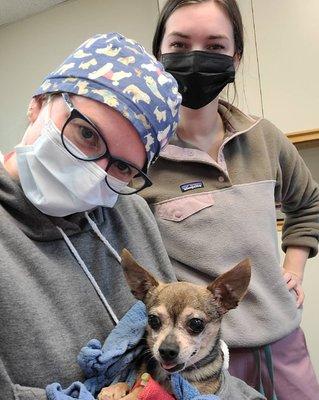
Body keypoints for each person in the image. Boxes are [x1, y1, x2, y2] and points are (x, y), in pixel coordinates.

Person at [139, 1, 319, 399]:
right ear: (158, 57)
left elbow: (308, 203)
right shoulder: (138, 158)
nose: (196, 59)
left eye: (215, 46)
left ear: (236, 56)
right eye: (180, 45)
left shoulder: (265, 138)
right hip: (196, 360)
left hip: (283, 345)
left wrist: (295, 267)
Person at [0, 32, 182, 399]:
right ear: (38, 103)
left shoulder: (130, 212)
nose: (93, 171)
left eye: (121, 167)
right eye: (86, 134)